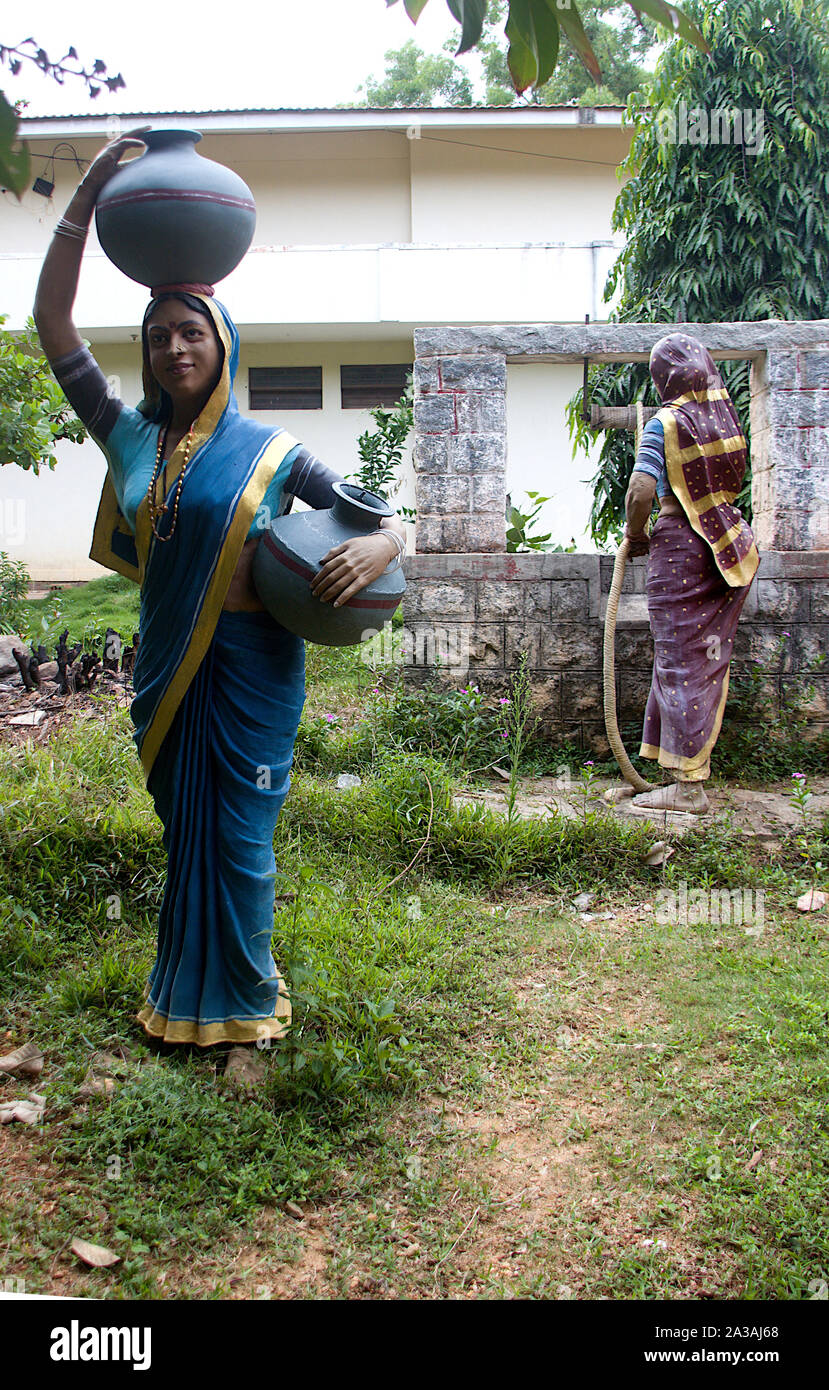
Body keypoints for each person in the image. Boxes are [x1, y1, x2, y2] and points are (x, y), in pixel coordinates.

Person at [33, 130, 406, 1064]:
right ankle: (183, 996)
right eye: (158, 336)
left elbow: (378, 514)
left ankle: (243, 1016)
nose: (171, 349)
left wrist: (387, 547)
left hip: (252, 675)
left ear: (223, 344)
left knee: (239, 843)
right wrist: (83, 203)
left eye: (190, 333)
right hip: (169, 675)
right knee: (186, 838)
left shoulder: (274, 453)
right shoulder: (127, 438)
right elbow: (55, 331)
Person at [623, 332, 760, 814]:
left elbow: (641, 490)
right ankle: (677, 774)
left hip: (681, 549)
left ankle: (688, 789)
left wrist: (637, 534)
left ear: (663, 376)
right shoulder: (726, 422)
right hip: (729, 547)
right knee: (700, 661)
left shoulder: (666, 423)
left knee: (679, 662)